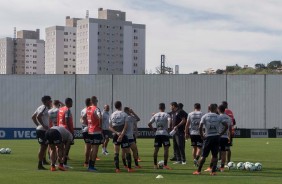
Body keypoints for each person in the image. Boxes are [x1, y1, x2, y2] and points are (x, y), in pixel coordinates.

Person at [193, 104, 228, 176]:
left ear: (209, 109)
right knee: (215, 155)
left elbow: (200, 127)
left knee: (204, 156)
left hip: (208, 137)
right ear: (215, 109)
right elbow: (226, 126)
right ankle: (213, 171)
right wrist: (221, 134)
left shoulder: (205, 116)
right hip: (216, 137)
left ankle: (199, 171)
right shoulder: (218, 117)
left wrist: (202, 136)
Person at [109, 101, 134, 173]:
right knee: (127, 152)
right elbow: (126, 126)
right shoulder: (124, 114)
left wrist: (117, 133)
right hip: (123, 135)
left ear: (115, 106)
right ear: (121, 106)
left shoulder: (112, 115)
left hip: (115, 135)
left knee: (116, 152)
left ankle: (117, 169)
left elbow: (110, 127)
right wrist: (122, 135)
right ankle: (129, 168)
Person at [148, 103, 172, 170]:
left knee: (156, 149)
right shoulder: (166, 114)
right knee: (166, 149)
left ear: (159, 108)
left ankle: (155, 165)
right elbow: (170, 120)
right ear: (164, 108)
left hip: (158, 133)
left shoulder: (155, 115)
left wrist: (154, 130)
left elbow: (149, 124)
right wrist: (169, 128)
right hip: (164, 134)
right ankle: (165, 165)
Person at [31, 95, 52, 170]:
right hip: (42, 130)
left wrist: (38, 125)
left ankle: (43, 161)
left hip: (41, 129)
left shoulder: (40, 107)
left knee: (45, 145)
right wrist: (43, 125)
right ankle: (40, 165)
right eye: (50, 100)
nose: (51, 102)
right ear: (46, 101)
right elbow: (38, 116)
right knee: (43, 146)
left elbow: (33, 117)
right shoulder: (44, 107)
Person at [86, 96, 103, 171]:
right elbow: (100, 117)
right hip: (96, 130)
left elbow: (83, 118)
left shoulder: (88, 108)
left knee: (92, 148)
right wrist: (100, 126)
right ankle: (91, 166)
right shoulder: (96, 108)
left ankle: (90, 165)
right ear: (95, 101)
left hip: (90, 130)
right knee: (95, 148)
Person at [57, 98, 74, 167]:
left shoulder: (61, 109)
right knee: (67, 147)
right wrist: (71, 131)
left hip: (59, 128)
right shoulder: (67, 110)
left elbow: (58, 119)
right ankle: (64, 163)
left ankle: (60, 163)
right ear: (69, 102)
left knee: (61, 147)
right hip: (66, 130)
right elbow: (67, 121)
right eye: (72, 102)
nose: (72, 103)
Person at [218, 104, 232, 172]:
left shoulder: (218, 117)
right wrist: (229, 137)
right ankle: (222, 168)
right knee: (224, 153)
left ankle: (213, 167)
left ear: (219, 110)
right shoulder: (229, 118)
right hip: (226, 137)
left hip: (219, 137)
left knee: (215, 152)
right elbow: (230, 129)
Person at [81, 98, 91, 167]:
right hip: (89, 130)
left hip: (84, 129)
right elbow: (84, 119)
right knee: (90, 146)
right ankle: (87, 162)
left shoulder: (83, 110)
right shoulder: (89, 110)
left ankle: (87, 161)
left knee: (87, 146)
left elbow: (81, 119)